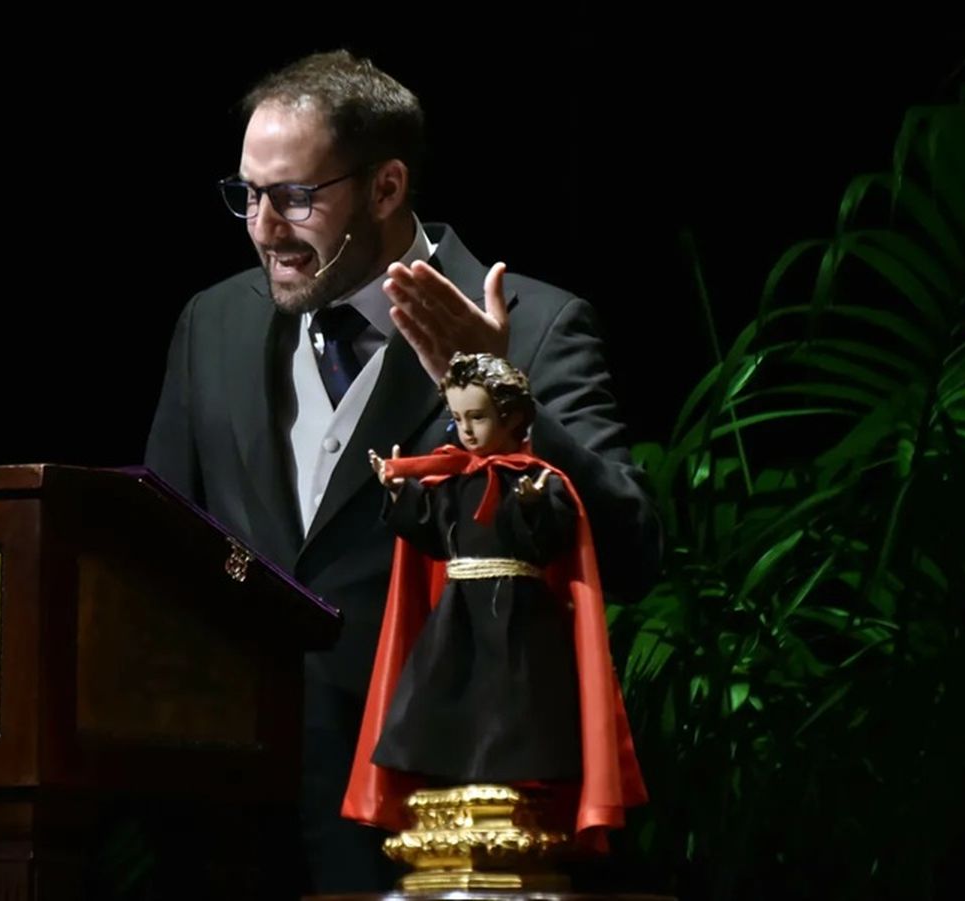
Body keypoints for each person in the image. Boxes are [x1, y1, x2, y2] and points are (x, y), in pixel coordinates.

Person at [144, 48, 661, 894]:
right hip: (229, 815)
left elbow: (633, 546)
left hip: (435, 805)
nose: (265, 228)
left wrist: (498, 392)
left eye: (297, 197)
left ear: (386, 188)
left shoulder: (533, 328)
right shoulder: (214, 324)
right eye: (248, 194)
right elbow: (163, 548)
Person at [342, 352, 647, 853]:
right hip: (458, 614)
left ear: (513, 418)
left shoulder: (540, 481)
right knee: (447, 697)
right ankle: (453, 785)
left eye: (477, 418)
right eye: (458, 419)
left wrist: (529, 504)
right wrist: (399, 495)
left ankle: (514, 791)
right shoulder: (454, 481)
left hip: (518, 616)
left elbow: (549, 541)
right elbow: (430, 533)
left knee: (512, 705)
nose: (465, 430)